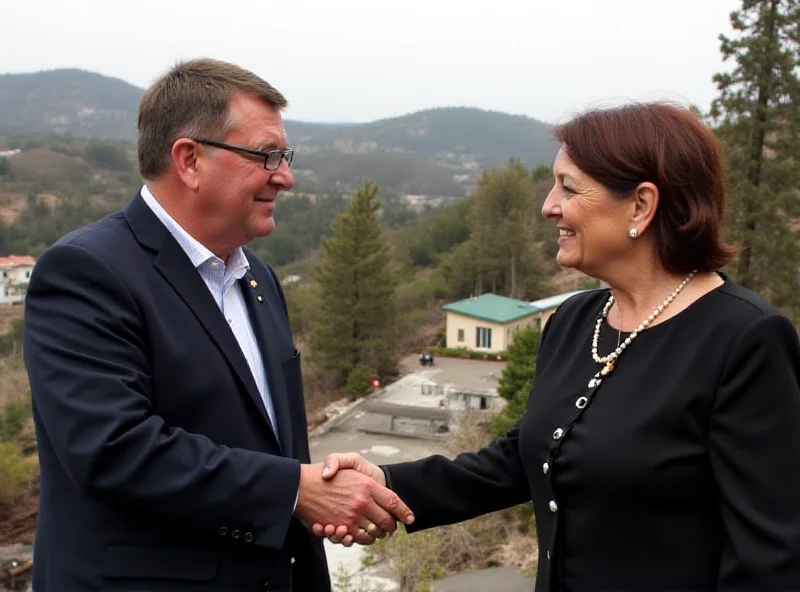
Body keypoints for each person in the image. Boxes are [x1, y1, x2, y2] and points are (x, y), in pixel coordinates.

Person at [314, 102, 800, 591]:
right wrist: (388, 483)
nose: (548, 205)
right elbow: (523, 459)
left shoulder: (745, 339)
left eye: (568, 187)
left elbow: (767, 556)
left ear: (641, 205)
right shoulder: (573, 320)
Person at [22, 58, 412, 592]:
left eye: (285, 156)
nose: (286, 176)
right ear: (189, 160)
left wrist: (310, 495)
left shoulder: (259, 278)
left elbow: (271, 445)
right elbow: (114, 448)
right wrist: (296, 492)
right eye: (268, 155)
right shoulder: (87, 271)